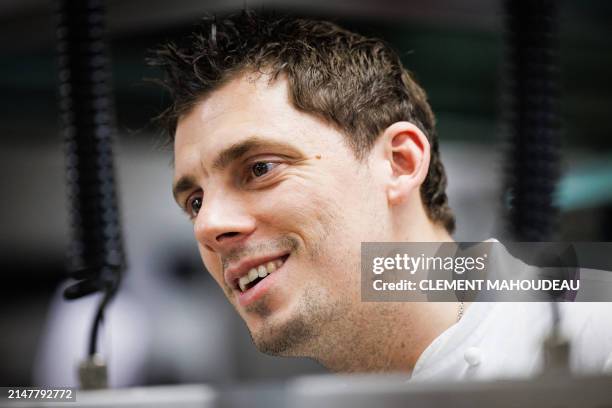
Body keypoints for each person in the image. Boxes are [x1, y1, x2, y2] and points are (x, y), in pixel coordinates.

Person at [149, 10, 612, 380]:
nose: (208, 225)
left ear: (400, 163)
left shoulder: (598, 338)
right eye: (194, 201)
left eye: (260, 168)